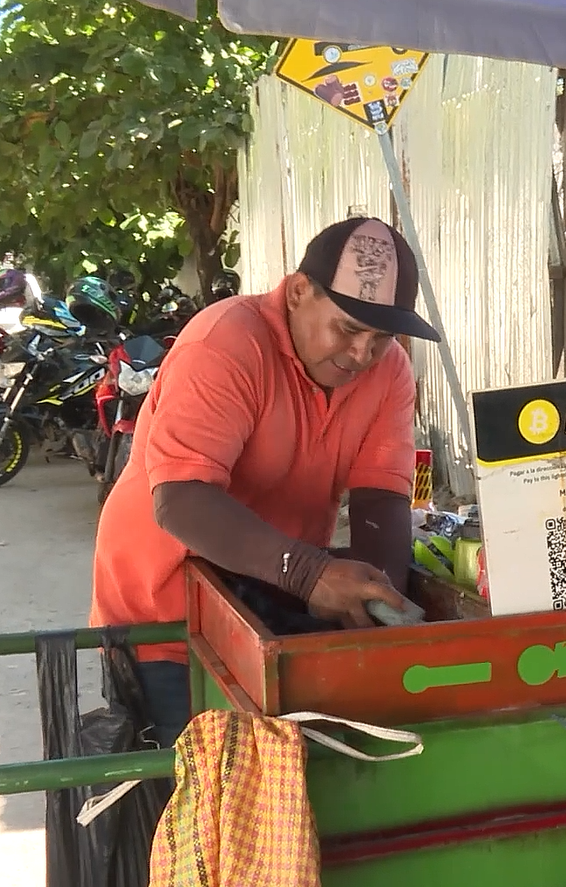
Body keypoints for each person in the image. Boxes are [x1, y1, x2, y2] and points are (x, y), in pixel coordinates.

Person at [88, 216, 441, 746]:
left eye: (383, 336)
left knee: (288, 800)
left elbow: (382, 496)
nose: (362, 354)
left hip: (266, 609)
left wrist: (377, 607)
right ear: (299, 292)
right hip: (165, 624)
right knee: (190, 807)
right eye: (348, 328)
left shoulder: (387, 372)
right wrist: (311, 574)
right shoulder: (225, 342)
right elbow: (182, 501)